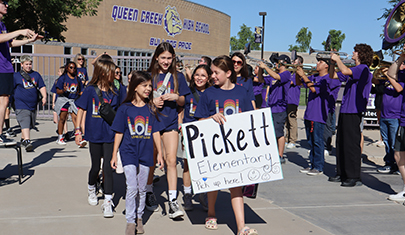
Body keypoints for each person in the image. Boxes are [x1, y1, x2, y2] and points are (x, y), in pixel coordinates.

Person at [194, 55, 257, 235]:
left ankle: (241, 226)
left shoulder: (241, 92)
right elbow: (199, 121)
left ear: (228, 73)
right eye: (211, 72)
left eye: (216, 72)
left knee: (236, 186)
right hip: (215, 147)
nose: (212, 76)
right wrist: (210, 118)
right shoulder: (208, 94)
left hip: (236, 148)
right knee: (215, 182)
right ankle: (211, 213)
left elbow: (249, 118)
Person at [110, 71, 164, 234]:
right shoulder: (124, 109)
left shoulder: (151, 108)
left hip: (146, 153)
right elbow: (118, 132)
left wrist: (160, 153)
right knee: (132, 187)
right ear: (135, 87)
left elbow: (155, 132)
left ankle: (139, 217)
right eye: (144, 85)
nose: (148, 89)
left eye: (150, 86)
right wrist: (114, 154)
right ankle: (130, 221)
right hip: (128, 152)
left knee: (142, 188)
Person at [74, 59, 125, 218]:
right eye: (112, 71)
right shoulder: (90, 90)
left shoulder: (116, 91)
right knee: (95, 167)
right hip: (94, 135)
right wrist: (78, 130)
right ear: (103, 73)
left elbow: (124, 107)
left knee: (109, 168)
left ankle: (108, 201)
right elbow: (81, 109)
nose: (115, 74)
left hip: (110, 135)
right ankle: (91, 189)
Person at [145, 42, 190, 219]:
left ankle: (172, 201)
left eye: (169, 58)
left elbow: (184, 101)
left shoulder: (178, 77)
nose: (165, 61)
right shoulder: (149, 76)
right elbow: (138, 98)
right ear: (156, 57)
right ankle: (148, 192)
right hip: (151, 122)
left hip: (170, 122)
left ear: (173, 59)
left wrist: (176, 97)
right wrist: (152, 102)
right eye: (162, 57)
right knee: (151, 160)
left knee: (171, 161)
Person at [328, 43, 373, 187]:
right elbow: (333, 75)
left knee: (351, 144)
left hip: (354, 110)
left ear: (361, 54)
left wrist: (338, 60)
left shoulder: (363, 68)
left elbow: (346, 71)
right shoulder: (354, 69)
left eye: (355, 51)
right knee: (341, 142)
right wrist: (332, 63)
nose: (352, 53)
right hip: (346, 109)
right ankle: (342, 172)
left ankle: (354, 176)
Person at [0, 1, 42, 145]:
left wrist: (29, 40)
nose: (7, 5)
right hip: (0, 67)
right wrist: (20, 31)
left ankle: (0, 133)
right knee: (3, 100)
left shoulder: (3, 25)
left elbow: (9, 43)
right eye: (3, 3)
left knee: (5, 100)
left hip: (5, 67)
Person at [178, 64, 212, 211]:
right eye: (197, 75)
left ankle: (203, 193)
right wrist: (180, 125)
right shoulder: (188, 92)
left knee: (205, 165)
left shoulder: (212, 93)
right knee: (188, 165)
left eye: (203, 75)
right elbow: (180, 110)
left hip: (206, 133)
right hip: (189, 132)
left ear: (208, 78)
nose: (199, 78)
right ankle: (187, 194)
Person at [295, 58, 331, 176]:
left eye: (320, 62)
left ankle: (318, 166)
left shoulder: (327, 79)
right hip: (309, 113)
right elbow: (299, 83)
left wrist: (303, 75)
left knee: (317, 141)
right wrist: (298, 73)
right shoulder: (314, 76)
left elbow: (314, 89)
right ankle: (312, 164)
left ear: (326, 66)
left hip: (318, 114)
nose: (317, 64)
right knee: (311, 141)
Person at [258, 55, 291, 164]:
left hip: (280, 108)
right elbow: (261, 79)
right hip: (270, 107)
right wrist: (261, 69)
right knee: (270, 133)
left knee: (279, 132)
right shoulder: (273, 74)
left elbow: (278, 77)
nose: (276, 64)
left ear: (284, 62)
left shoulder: (286, 73)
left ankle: (280, 155)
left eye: (278, 62)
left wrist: (266, 68)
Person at [374, 62, 405, 175]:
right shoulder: (386, 79)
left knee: (394, 143)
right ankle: (389, 163)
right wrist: (378, 72)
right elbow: (374, 81)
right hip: (384, 114)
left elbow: (399, 89)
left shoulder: (401, 78)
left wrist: (389, 76)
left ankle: (397, 165)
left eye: (401, 64)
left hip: (395, 116)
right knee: (386, 141)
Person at [12, 55, 47, 151]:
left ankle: (23, 139)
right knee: (24, 120)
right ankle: (27, 141)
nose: (28, 66)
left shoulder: (36, 75)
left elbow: (42, 86)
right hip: (20, 104)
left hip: (33, 104)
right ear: (21, 65)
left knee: (30, 123)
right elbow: (11, 89)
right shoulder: (16, 76)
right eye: (26, 64)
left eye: (30, 64)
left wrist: (44, 97)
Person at [54, 62, 84, 146]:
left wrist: (82, 94)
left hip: (73, 100)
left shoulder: (77, 79)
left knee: (76, 119)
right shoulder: (62, 78)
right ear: (67, 68)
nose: (73, 69)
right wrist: (63, 90)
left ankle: (78, 137)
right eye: (71, 67)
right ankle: (60, 137)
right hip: (64, 100)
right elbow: (57, 91)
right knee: (63, 118)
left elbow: (81, 90)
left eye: (74, 68)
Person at [285, 56, 303, 149]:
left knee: (292, 120)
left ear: (299, 63)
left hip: (293, 100)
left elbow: (290, 82)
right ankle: (287, 138)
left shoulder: (298, 74)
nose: (292, 63)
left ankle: (293, 140)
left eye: (294, 62)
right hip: (287, 99)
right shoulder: (291, 72)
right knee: (286, 121)